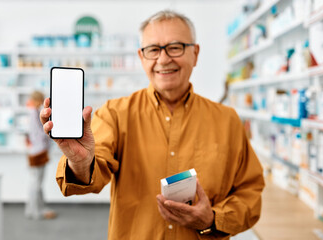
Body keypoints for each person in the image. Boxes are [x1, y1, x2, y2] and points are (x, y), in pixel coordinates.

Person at [40, 10, 264, 239]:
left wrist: (212, 219)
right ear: (141, 57)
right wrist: (81, 161)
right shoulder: (115, 114)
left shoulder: (227, 121)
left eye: (175, 47)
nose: (164, 59)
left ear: (195, 54)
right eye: (153, 49)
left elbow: (251, 194)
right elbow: (92, 173)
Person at [25, 91, 57, 220]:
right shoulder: (34, 113)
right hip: (38, 152)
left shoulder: (33, 113)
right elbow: (40, 133)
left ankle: (35, 210)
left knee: (36, 183)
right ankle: (36, 212)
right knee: (36, 184)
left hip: (36, 151)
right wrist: (50, 132)